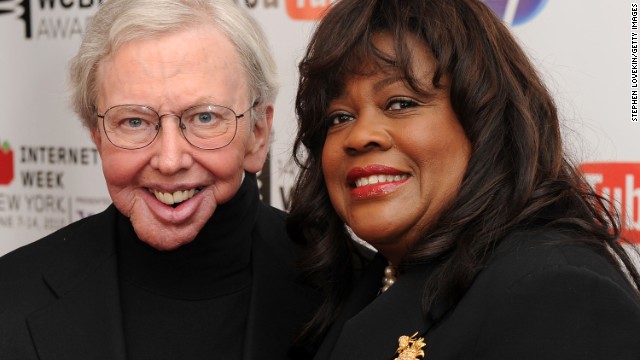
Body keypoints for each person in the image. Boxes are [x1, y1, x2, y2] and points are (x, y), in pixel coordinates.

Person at [287, 0, 640, 359]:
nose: (360, 135)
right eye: (339, 117)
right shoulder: (363, 286)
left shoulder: (555, 291)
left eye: (400, 103)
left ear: (484, 122)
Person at [0, 0, 318, 359]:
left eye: (204, 118)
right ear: (97, 136)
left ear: (258, 134)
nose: (169, 160)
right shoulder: (10, 296)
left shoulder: (347, 286)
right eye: (133, 121)